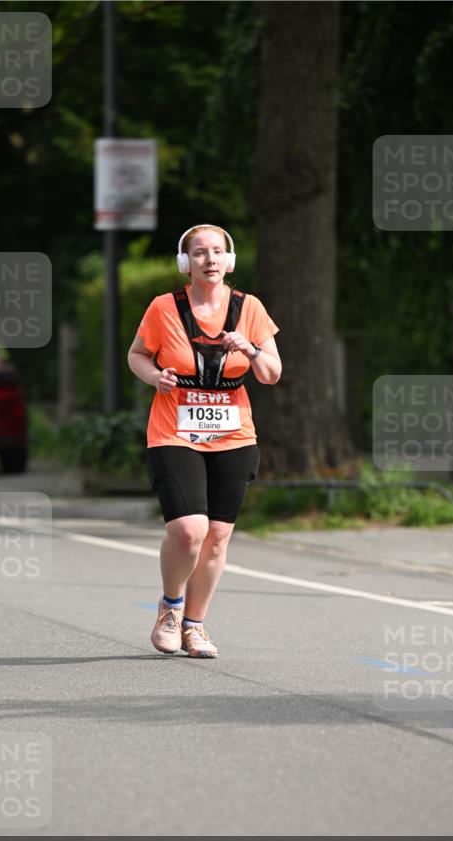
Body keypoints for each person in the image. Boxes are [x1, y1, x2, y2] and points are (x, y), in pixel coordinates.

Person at [127, 224, 282, 658]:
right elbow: (137, 355)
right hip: (173, 431)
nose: (209, 259)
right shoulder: (163, 307)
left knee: (216, 535)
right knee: (188, 529)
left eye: (217, 251)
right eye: (199, 252)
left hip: (234, 435)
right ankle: (171, 608)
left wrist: (250, 349)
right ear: (186, 262)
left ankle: (194, 627)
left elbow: (272, 374)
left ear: (228, 261)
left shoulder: (249, 308)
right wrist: (154, 377)